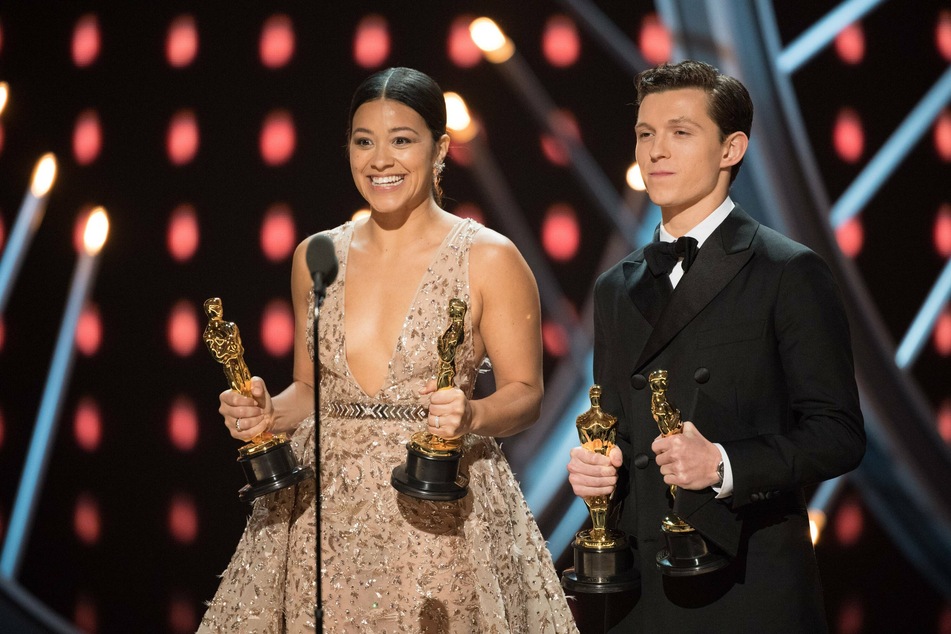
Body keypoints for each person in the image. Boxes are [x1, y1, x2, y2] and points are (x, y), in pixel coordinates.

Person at [198, 67, 578, 633]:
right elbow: (310, 392)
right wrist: (264, 412)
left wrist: (472, 414)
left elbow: (527, 396)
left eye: (402, 140)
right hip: (319, 518)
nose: (381, 159)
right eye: (363, 141)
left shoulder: (491, 258)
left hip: (440, 514)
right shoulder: (316, 256)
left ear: (440, 149)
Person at [566, 60, 865, 632]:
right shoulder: (614, 288)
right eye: (645, 134)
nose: (656, 151)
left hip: (747, 577)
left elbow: (839, 435)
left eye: (680, 132)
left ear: (731, 149)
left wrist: (723, 463)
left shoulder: (788, 270)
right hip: (641, 584)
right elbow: (618, 426)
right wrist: (597, 466)